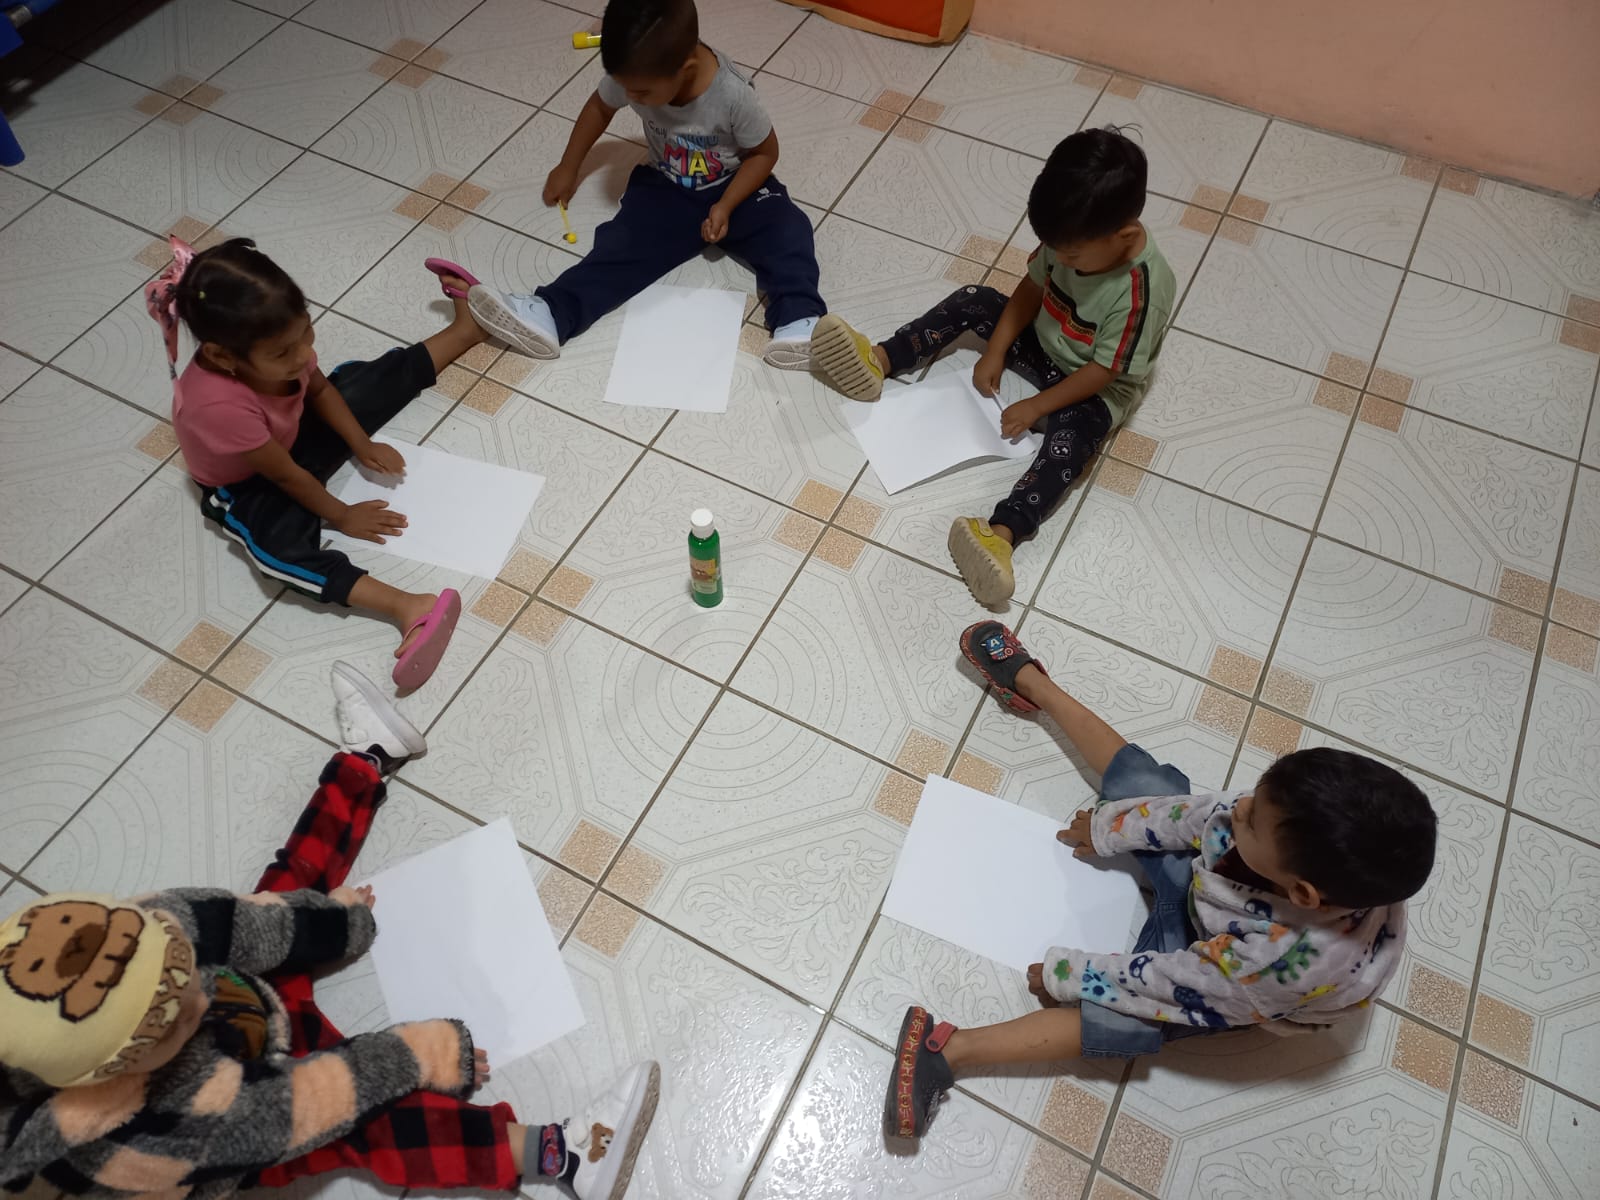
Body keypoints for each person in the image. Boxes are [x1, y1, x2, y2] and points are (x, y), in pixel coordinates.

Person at [0, 662, 658, 1200]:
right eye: (176, 1015)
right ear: (112, 1069)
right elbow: (312, 1101)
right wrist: (424, 1053)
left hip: (236, 1034)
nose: (198, 992)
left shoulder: (145, 924)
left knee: (281, 894)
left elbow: (242, 924)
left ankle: (366, 759)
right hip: (221, 1143)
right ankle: (563, 1157)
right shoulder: (143, 1132)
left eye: (182, 969)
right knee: (369, 1127)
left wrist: (338, 921)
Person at [885, 621, 1439, 1140]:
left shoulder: (1279, 966)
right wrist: (1109, 829)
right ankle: (1031, 685)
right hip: (1222, 906)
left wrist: (1072, 974)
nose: (1239, 808)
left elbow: (1164, 984)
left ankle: (949, 1052)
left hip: (1233, 984)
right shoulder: (1276, 823)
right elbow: (1199, 815)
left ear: (1302, 894)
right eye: (1254, 797)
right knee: (1150, 782)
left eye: (1250, 820)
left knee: (1128, 1023)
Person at [809, 128, 1177, 608]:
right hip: (1045, 342)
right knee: (976, 299)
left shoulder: (1142, 290)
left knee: (1071, 443)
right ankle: (880, 358)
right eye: (1055, 250)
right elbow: (1031, 288)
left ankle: (1002, 534)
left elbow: (1104, 372)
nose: (1061, 260)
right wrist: (996, 350)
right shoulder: (1070, 235)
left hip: (1093, 386)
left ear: (1123, 237)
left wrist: (1037, 406)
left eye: (1071, 256)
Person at [146, 237, 491, 689]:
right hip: (250, 480)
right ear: (222, 356)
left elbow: (322, 390)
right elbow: (285, 474)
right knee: (276, 549)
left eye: (305, 332)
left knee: (362, 385)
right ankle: (409, 606)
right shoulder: (216, 406)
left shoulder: (285, 347)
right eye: (283, 352)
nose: (304, 353)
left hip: (289, 436)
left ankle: (466, 330)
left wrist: (361, 443)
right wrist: (342, 515)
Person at [468, 0, 826, 370]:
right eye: (625, 88)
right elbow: (599, 107)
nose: (629, 97)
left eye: (639, 93)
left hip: (736, 185)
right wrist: (568, 165)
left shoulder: (733, 95)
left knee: (788, 230)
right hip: (666, 184)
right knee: (620, 247)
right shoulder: (635, 70)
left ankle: (800, 321)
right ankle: (551, 312)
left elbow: (765, 153)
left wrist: (727, 204)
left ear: (685, 70)